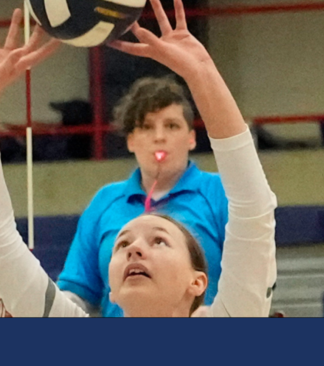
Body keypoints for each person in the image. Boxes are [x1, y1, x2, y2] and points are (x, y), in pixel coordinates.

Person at [0, 0, 276, 317]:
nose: (134, 248)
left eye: (159, 241)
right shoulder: (105, 203)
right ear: (109, 284)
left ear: (198, 282)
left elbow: (254, 208)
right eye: (121, 245)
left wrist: (202, 73)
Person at [58, 75, 230, 317]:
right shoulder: (104, 202)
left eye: (171, 125)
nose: (159, 137)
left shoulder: (220, 192)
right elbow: (77, 292)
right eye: (147, 127)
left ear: (191, 138)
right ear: (130, 141)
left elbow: (255, 278)